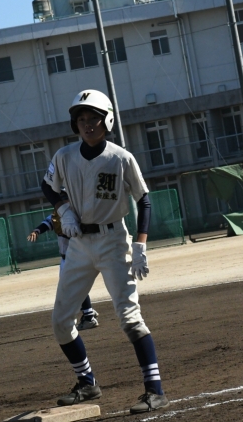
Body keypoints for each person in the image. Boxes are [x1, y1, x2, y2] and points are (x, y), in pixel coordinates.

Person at [41, 89, 169, 414]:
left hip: (113, 241)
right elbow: (47, 185)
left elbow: (143, 199)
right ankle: (87, 383)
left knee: (129, 318)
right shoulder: (64, 156)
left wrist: (140, 244)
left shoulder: (120, 158)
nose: (87, 125)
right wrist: (64, 209)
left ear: (107, 121)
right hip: (79, 245)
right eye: (81, 119)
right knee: (60, 321)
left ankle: (154, 390)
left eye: (93, 119)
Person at [27, 210, 99, 330]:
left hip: (75, 259)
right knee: (73, 287)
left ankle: (88, 316)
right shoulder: (61, 213)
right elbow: (48, 222)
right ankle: (88, 311)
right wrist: (37, 231)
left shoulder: (78, 214)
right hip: (66, 259)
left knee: (74, 287)